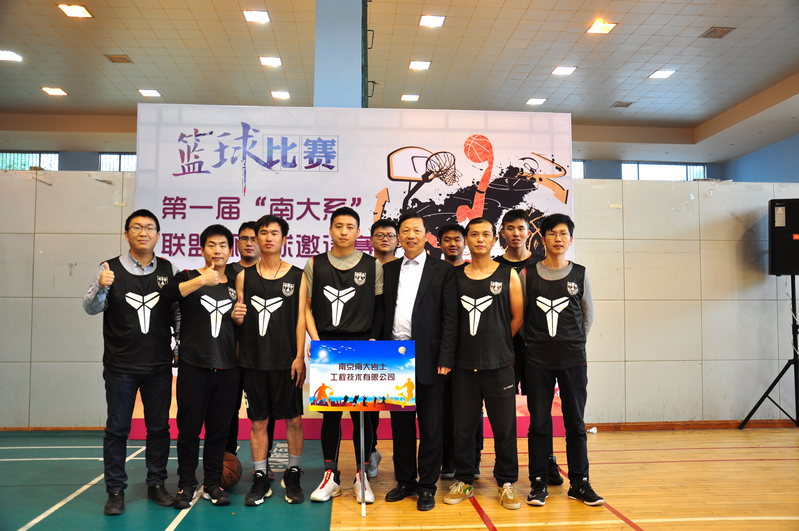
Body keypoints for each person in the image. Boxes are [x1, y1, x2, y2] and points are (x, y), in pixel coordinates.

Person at [83, 209, 179, 516]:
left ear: (157, 235)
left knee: (159, 428)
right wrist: (101, 285)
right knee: (117, 429)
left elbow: (177, 312)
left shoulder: (169, 269)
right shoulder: (108, 268)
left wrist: (180, 345)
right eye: (136, 227)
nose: (143, 233)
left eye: (149, 228)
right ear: (126, 234)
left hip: (159, 366)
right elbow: (90, 308)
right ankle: (115, 491)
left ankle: (157, 484)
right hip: (120, 366)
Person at [304, 207, 384, 504]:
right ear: (330, 230)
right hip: (328, 347)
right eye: (338, 226)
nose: (343, 231)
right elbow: (306, 307)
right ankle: (331, 476)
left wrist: (374, 339)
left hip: (363, 346)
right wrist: (316, 340)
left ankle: (362, 475)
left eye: (350, 226)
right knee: (331, 415)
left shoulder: (372, 264)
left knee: (363, 415)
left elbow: (380, 307)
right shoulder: (315, 263)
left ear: (358, 232)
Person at [522, 213, 602, 507]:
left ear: (570, 239)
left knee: (576, 425)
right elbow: (521, 317)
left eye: (564, 233)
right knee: (539, 425)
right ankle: (538, 482)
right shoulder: (528, 274)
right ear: (542, 238)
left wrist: (573, 343)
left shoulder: (580, 273)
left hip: (573, 361)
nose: (558, 238)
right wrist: (535, 344)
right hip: (537, 361)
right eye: (552, 233)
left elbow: (587, 316)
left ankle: (579, 483)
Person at [444, 217, 524, 511]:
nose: (480, 239)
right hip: (463, 367)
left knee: (504, 429)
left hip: (499, 365)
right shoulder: (454, 276)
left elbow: (517, 317)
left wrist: (496, 342)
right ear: (467, 239)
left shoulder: (508, 274)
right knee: (464, 428)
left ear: (494, 239)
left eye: (485, 234)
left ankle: (506, 483)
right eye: (474, 234)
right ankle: (463, 480)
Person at [382, 211, 458, 511]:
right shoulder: (388, 269)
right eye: (405, 231)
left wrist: (446, 356)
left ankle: (427, 485)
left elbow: (451, 317)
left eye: (416, 230)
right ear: (398, 237)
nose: (410, 235)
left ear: (427, 235)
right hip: (394, 357)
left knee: (430, 426)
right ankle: (405, 481)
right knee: (401, 426)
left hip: (430, 357)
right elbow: (382, 312)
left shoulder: (443, 270)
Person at [162, 224, 241, 509]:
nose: (217, 250)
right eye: (211, 245)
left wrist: (241, 317)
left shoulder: (238, 283)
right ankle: (186, 484)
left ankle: (213, 484)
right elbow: (166, 296)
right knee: (189, 430)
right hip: (193, 365)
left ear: (230, 250)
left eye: (223, 245)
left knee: (219, 432)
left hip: (228, 368)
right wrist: (200, 281)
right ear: (202, 249)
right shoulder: (187, 277)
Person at [233, 215, 308, 505]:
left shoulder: (298, 275)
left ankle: (293, 473)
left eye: (274, 233)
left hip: (286, 361)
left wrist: (299, 356)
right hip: (252, 361)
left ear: (283, 239)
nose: (267, 238)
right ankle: (261, 477)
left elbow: (301, 318)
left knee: (294, 420)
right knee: (258, 423)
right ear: (256, 239)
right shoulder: (244, 276)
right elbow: (239, 318)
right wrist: (236, 318)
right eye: (262, 233)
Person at [494, 210, 563, 486]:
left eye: (521, 228)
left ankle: (548, 461)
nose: (516, 233)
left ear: (529, 232)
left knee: (540, 410)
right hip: (503, 348)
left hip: (536, 350)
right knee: (502, 412)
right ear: (502, 232)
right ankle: (503, 466)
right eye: (510, 228)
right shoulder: (494, 266)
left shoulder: (540, 264)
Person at [224, 222, 279, 481]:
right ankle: (225, 458)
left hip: (261, 356)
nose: (249, 243)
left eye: (253, 239)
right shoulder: (226, 273)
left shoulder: (274, 273)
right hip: (229, 355)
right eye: (244, 238)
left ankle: (263, 463)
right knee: (228, 410)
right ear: (237, 243)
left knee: (266, 414)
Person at [436, 223, 485, 480]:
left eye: (457, 239)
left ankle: (474, 460)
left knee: (472, 410)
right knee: (445, 409)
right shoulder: (435, 272)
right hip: (443, 353)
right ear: (439, 244)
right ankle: (447, 461)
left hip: (470, 351)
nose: (452, 244)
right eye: (447, 240)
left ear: (464, 243)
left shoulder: (471, 272)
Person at [365, 218, 399, 478]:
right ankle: (370, 451)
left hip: (400, 346)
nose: (385, 239)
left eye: (390, 235)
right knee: (370, 405)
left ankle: (405, 464)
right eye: (380, 235)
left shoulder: (405, 268)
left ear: (398, 240)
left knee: (401, 408)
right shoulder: (365, 267)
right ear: (371, 239)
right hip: (371, 342)